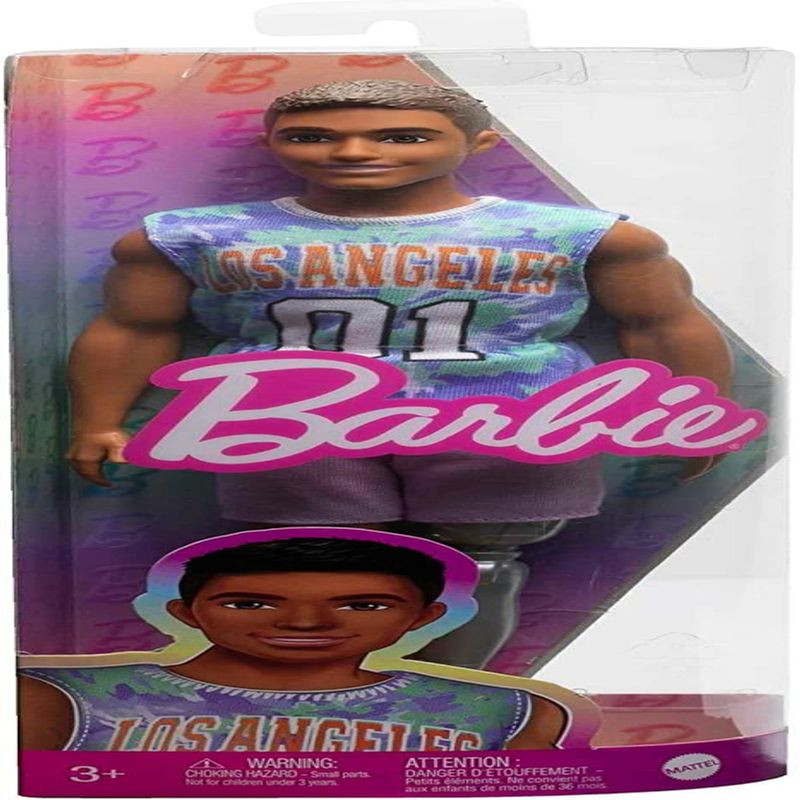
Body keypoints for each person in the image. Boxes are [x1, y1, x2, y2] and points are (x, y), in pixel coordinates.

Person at [66, 79, 732, 667]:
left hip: (505, 419)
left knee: (483, 564)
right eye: (311, 136)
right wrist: (99, 420)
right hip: (290, 424)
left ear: (480, 142)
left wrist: (699, 415)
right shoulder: (197, 235)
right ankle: (358, 695)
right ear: (270, 143)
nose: (353, 152)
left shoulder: (577, 234)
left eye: (404, 136)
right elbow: (136, 328)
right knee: (325, 568)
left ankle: (450, 694)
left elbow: (662, 323)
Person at [19, 536, 567, 752]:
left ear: (426, 617)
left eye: (363, 605)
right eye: (250, 603)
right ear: (185, 612)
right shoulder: (68, 697)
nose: (305, 623)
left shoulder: (503, 710)